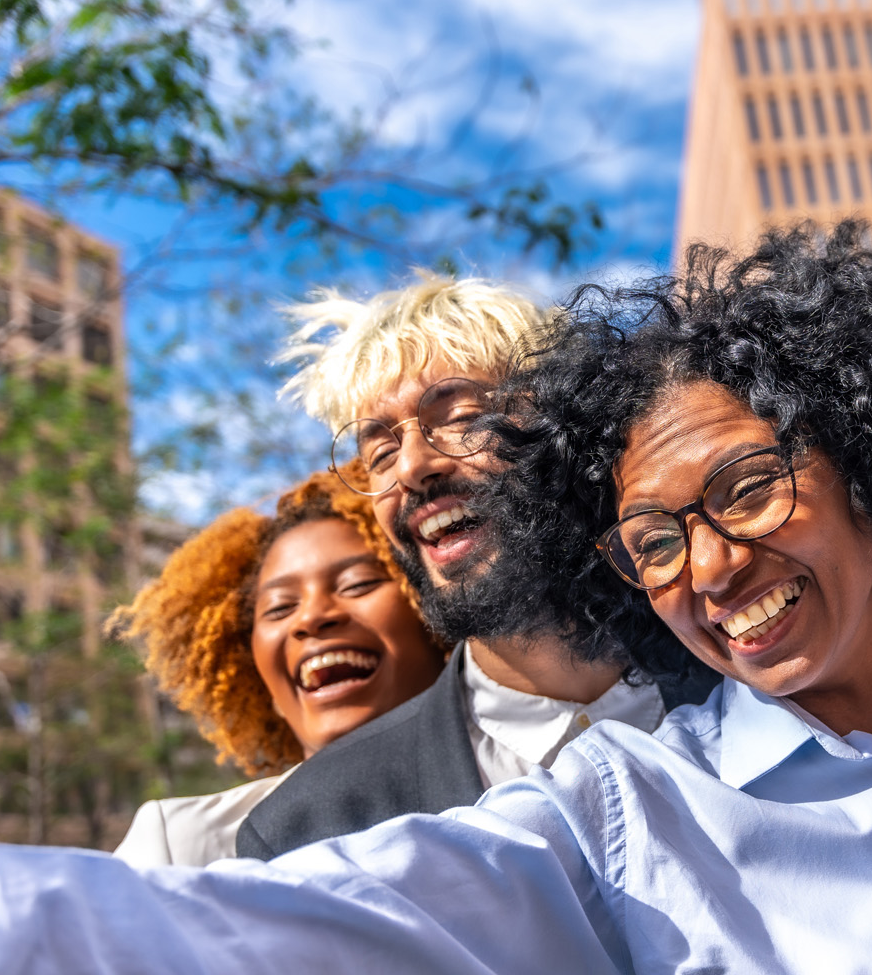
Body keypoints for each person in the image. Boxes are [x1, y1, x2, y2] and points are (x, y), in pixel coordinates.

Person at [0, 223, 872, 975]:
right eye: (654, 536)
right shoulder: (632, 810)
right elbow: (274, 931)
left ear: (868, 464)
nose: (709, 566)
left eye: (748, 490)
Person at [237, 274, 714, 859]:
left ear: (565, 429)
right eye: (379, 453)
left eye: (460, 417)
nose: (412, 466)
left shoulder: (765, 690)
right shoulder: (307, 831)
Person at [109, 469, 445, 866]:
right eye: (280, 607)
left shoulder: (522, 781)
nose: (311, 618)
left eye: (357, 584)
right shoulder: (185, 849)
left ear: (436, 614)